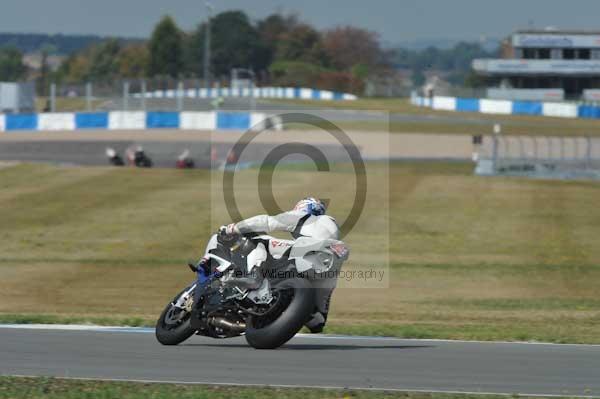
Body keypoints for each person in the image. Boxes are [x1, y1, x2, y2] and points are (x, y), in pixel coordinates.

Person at [216, 197, 340, 333]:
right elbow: (319, 326)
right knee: (318, 319)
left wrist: (232, 228)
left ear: (305, 208)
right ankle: (301, 310)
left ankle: (254, 276)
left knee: (259, 240)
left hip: (310, 250)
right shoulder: (329, 229)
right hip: (331, 262)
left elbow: (266, 222)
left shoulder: (304, 217)